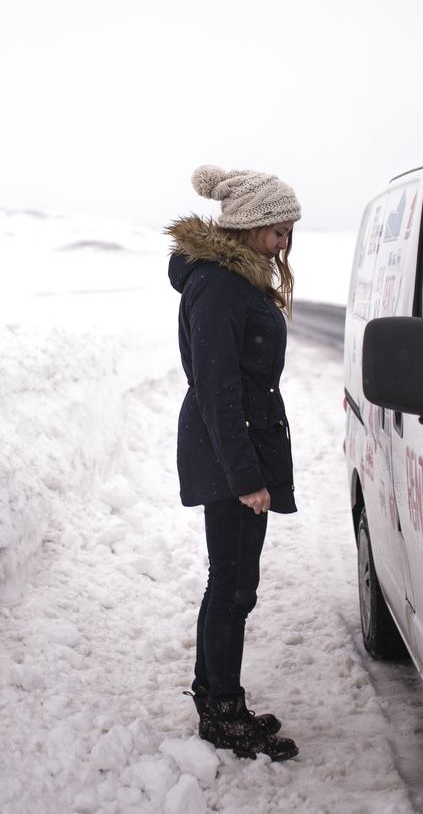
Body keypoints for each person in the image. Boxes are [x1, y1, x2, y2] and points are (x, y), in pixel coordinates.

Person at [165, 164, 301, 763]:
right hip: (230, 454)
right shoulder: (220, 286)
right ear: (248, 227)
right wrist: (246, 477)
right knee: (231, 587)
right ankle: (221, 711)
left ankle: (219, 699)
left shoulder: (240, 280)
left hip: (240, 448)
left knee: (235, 586)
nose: (285, 243)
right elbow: (218, 386)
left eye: (290, 231)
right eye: (277, 231)